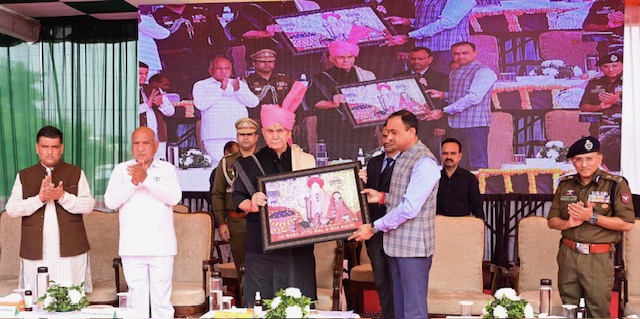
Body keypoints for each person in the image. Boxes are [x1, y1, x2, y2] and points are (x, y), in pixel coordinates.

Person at [232, 82, 317, 307]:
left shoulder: (305, 161)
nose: (275, 136)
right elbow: (237, 197)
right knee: (262, 303)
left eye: (280, 131)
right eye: (270, 131)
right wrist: (251, 203)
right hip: (261, 247)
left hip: (297, 246)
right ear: (263, 133)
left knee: (296, 304)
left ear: (289, 132)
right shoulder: (250, 163)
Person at [350, 110, 440, 318]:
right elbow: (403, 197)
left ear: (412, 132)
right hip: (396, 247)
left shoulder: (424, 162)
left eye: (394, 132)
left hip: (413, 250)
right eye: (387, 132)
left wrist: (373, 228)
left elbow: (409, 208)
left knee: (413, 311)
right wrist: (382, 197)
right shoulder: (404, 157)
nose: (388, 137)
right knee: (399, 310)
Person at [547, 136, 634, 318]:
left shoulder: (615, 184)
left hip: (598, 257)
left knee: (598, 311)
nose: (584, 164)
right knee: (568, 310)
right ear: (573, 162)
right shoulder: (565, 184)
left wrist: (592, 217)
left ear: (599, 159)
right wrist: (568, 223)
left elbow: (626, 223)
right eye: (578, 159)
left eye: (589, 158)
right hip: (568, 254)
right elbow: (552, 220)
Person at [104, 127, 182, 319]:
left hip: (161, 247)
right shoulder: (121, 170)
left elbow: (174, 198)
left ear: (156, 146)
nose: (140, 148)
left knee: (162, 302)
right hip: (132, 247)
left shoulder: (167, 169)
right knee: (136, 302)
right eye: (136, 143)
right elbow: (110, 202)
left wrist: (146, 180)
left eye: (145, 143)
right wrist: (133, 182)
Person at [6, 126, 95, 294]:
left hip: (70, 251)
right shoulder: (24, 175)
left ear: (61, 149)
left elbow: (88, 205)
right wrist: (39, 199)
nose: (49, 152)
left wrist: (62, 196)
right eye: (45, 147)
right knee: (37, 298)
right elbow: (11, 209)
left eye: (54, 147)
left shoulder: (75, 172)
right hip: (36, 249)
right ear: (37, 148)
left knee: (71, 298)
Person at [304, 26, 377, 160]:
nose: (346, 60)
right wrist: (331, 103)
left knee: (367, 162)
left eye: (350, 56)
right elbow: (312, 102)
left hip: (363, 131)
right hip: (335, 130)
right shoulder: (320, 78)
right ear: (332, 59)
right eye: (341, 57)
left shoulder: (367, 75)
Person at [425, 41, 497, 171]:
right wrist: (442, 95)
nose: (460, 57)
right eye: (456, 54)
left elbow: (473, 98)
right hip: (455, 124)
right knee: (458, 165)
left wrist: (443, 111)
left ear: (475, 53)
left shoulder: (484, 72)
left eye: (465, 53)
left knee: (477, 165)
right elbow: (458, 95)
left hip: (475, 125)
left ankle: (478, 191)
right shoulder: (455, 71)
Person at [212, 118, 259, 278]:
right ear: (237, 137)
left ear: (256, 137)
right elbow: (217, 194)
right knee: (243, 270)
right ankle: (246, 303)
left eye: (249, 134)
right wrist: (222, 223)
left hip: (261, 222)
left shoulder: (265, 160)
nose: (245, 138)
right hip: (237, 223)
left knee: (263, 268)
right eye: (241, 134)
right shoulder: (226, 163)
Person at [193, 57, 259, 167]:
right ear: (210, 70)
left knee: (242, 166)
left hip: (238, 134)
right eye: (219, 68)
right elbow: (201, 105)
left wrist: (238, 91)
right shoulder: (201, 85)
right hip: (215, 135)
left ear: (231, 70)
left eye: (227, 68)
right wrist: (221, 89)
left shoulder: (238, 84)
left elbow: (253, 103)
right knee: (219, 167)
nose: (223, 71)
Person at [362, 124, 400, 318]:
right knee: (381, 281)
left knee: (398, 280)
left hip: (399, 231)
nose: (386, 140)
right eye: (383, 136)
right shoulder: (374, 162)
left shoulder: (408, 163)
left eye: (391, 136)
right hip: (375, 232)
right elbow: (368, 195)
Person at [383, 0, 476, 74]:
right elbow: (431, 19)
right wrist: (407, 21)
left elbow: (445, 23)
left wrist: (407, 36)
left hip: (446, 51)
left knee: (444, 87)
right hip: (426, 50)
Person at [396, 46, 450, 159]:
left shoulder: (441, 78)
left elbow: (446, 103)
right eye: (412, 58)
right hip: (404, 127)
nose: (416, 62)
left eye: (420, 59)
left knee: (430, 158)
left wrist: (441, 125)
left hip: (430, 126)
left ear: (430, 59)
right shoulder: (397, 77)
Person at [579, 53, 623, 171]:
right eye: (606, 66)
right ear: (601, 68)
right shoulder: (594, 82)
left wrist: (618, 100)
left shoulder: (632, 80)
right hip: (599, 128)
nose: (611, 69)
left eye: (615, 65)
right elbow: (584, 106)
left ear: (623, 65)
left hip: (624, 130)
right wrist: (599, 106)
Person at [436, 138, 483, 218]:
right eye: (445, 153)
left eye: (453, 153)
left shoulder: (469, 179)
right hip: (438, 226)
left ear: (460, 156)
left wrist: (480, 226)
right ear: (441, 155)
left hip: (462, 227)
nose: (449, 157)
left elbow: (477, 207)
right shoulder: (434, 177)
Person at [139, 62, 175, 161]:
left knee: (159, 167)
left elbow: (171, 111)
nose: (144, 77)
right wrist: (146, 105)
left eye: (146, 74)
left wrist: (161, 104)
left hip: (157, 137)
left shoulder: (153, 89)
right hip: (137, 139)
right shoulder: (125, 90)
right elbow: (125, 113)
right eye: (140, 74)